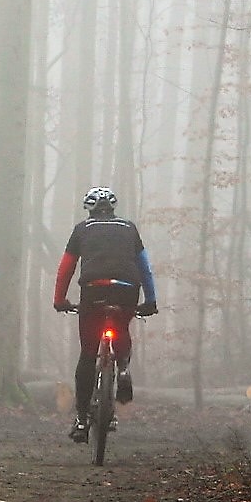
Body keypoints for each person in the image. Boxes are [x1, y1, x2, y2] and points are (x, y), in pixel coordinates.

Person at [53, 187, 159, 443]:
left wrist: (60, 299)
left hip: (93, 290)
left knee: (89, 353)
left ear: (89, 209)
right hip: (126, 289)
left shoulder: (82, 230)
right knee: (120, 328)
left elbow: (66, 267)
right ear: (113, 209)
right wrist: (151, 300)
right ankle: (122, 367)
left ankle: (80, 420)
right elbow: (144, 268)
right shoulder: (129, 228)